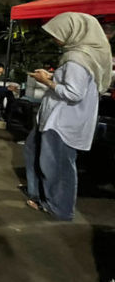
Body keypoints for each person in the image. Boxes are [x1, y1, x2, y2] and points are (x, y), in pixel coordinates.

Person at [23, 12, 112, 221]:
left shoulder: (77, 58)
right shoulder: (84, 55)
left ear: (74, 32)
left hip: (63, 120)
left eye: (57, 33)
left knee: (59, 164)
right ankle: (40, 194)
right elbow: (75, 82)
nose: (55, 38)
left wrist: (47, 82)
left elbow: (74, 93)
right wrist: (52, 76)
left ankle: (59, 208)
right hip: (58, 117)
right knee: (35, 151)